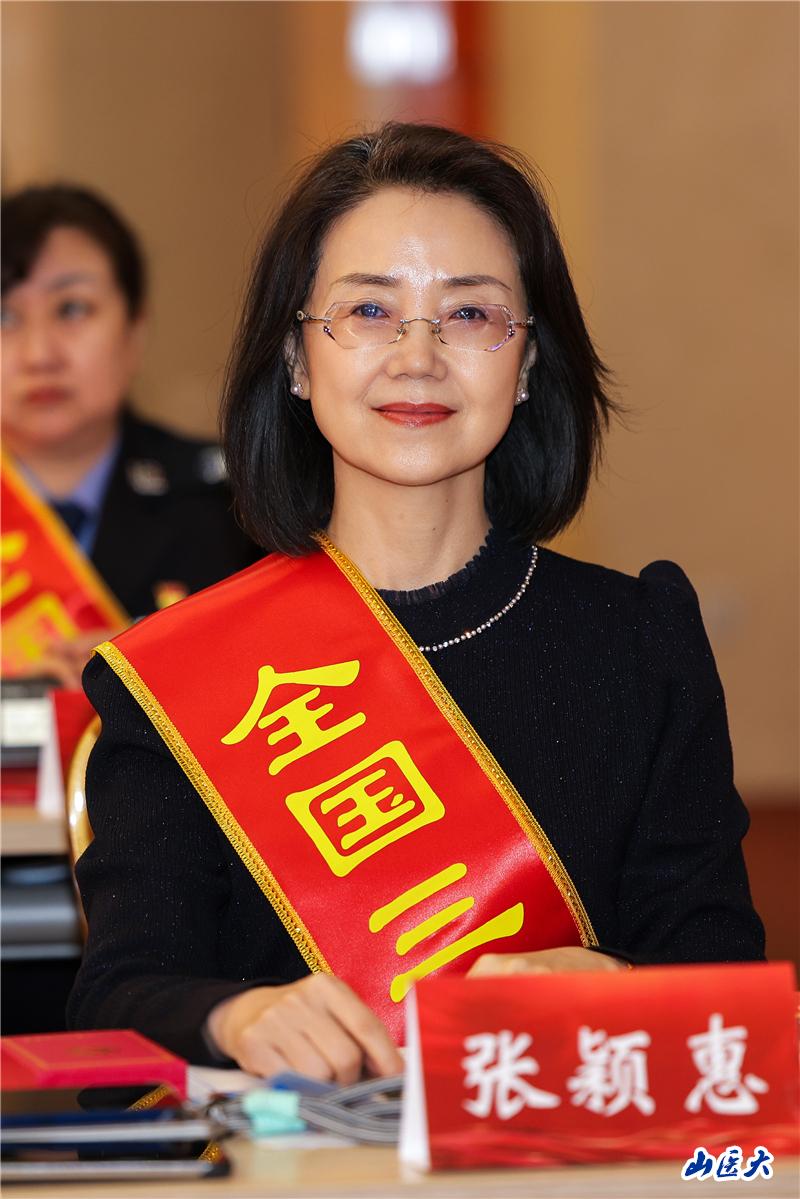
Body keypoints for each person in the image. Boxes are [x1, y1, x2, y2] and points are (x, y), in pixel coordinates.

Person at [68, 124, 764, 1083]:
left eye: (471, 314)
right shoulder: (183, 675)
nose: (418, 357)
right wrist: (236, 1016)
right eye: (369, 310)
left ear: (527, 363)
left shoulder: (639, 642)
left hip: (570, 1149)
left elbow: (726, 992)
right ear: (298, 359)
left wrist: (612, 982)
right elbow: (122, 992)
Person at [1, 185, 258, 688]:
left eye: (72, 309)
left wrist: (165, 665)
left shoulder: (236, 506)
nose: (39, 354)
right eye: (6, 317)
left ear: (135, 330)